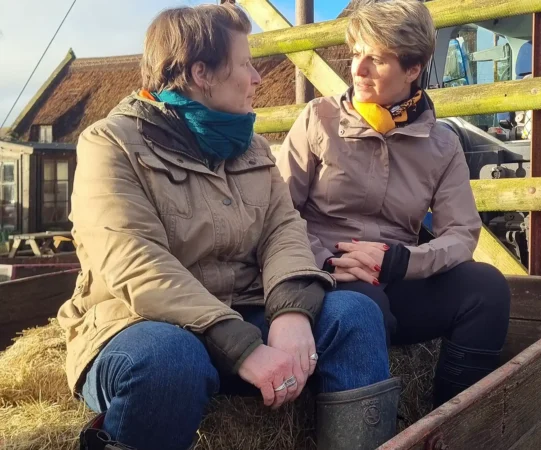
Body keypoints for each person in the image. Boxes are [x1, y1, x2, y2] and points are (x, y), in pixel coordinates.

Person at [57, 4, 400, 450]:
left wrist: (291, 310)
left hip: (242, 310)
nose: (257, 78)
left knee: (355, 315)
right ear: (202, 73)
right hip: (139, 326)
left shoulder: (251, 146)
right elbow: (135, 264)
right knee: (171, 361)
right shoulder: (110, 144)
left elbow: (283, 228)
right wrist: (244, 348)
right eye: (246, 64)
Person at [277, 0, 512, 408]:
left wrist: (402, 262)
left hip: (396, 275)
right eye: (355, 55)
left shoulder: (442, 145)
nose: (358, 69)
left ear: (413, 69)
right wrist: (328, 260)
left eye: (377, 59)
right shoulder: (319, 119)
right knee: (366, 310)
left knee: (488, 288)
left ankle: (448, 423)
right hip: (325, 276)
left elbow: (461, 234)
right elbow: (278, 214)